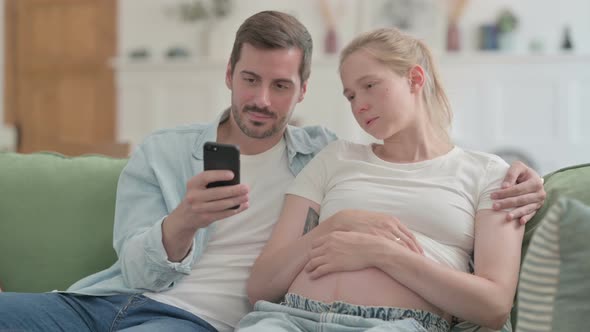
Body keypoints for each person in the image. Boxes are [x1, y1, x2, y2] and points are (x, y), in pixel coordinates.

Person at [0, 11, 545, 332]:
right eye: (250, 79)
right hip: (103, 300)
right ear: (229, 75)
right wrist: (183, 222)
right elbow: (139, 270)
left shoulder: (322, 153)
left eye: (281, 85)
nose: (262, 99)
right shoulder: (166, 151)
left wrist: (530, 174)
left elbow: (492, 298)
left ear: (301, 92)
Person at [238, 28, 533, 332]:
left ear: (415, 79)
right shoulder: (334, 157)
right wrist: (339, 223)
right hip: (290, 319)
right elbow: (261, 286)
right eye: (350, 95)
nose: (358, 105)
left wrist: (381, 253)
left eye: (370, 85)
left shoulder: (488, 173)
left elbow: (494, 307)